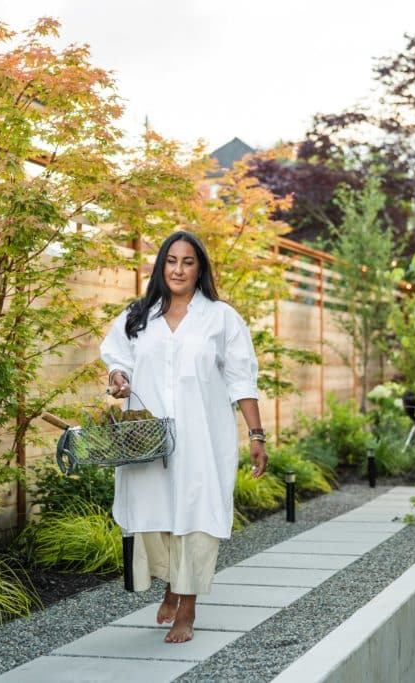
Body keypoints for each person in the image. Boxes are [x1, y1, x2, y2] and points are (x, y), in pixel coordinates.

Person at [100, 230, 268, 644]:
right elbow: (118, 362)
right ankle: (171, 587)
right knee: (156, 513)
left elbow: (241, 379)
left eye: (188, 261)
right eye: (171, 260)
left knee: (195, 514)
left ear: (199, 268)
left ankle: (187, 609)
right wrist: (119, 379)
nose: (178, 269)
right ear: (161, 266)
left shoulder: (221, 318)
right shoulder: (138, 316)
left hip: (201, 439)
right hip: (148, 439)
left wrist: (257, 435)